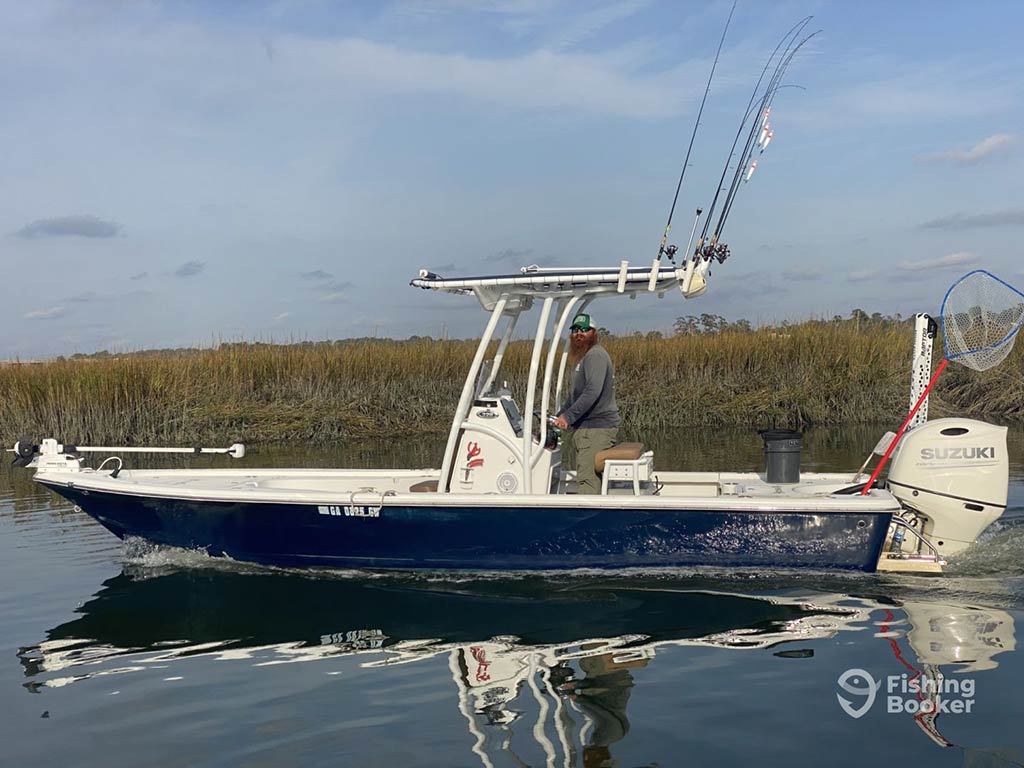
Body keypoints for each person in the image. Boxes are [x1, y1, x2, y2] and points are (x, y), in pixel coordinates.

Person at [554, 313, 620, 494]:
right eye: (575, 330)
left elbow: (592, 391)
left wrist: (569, 417)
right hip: (587, 430)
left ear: (594, 333)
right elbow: (576, 395)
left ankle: (589, 520)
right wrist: (560, 414)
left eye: (584, 329)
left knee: (587, 478)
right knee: (585, 474)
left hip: (596, 429)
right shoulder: (584, 358)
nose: (579, 333)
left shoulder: (595, 356)